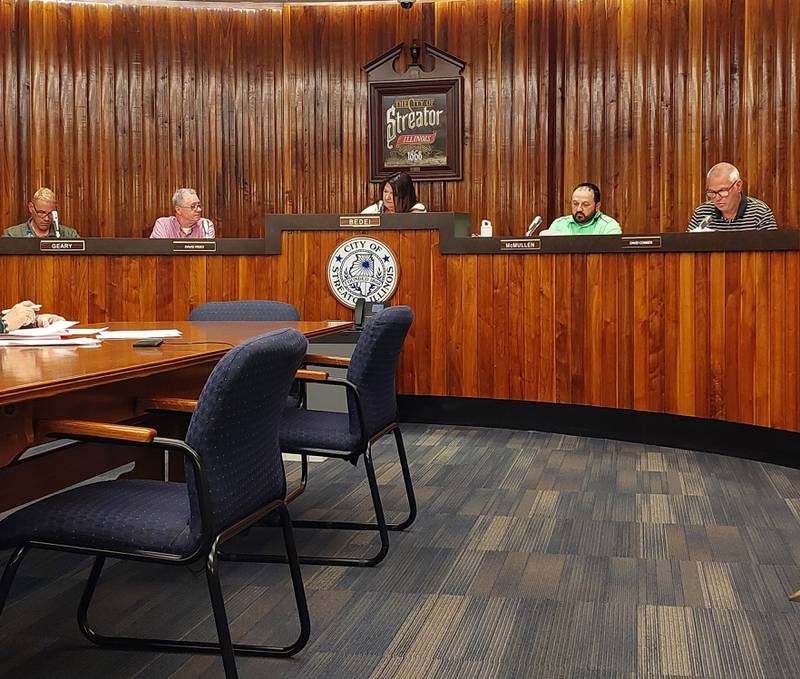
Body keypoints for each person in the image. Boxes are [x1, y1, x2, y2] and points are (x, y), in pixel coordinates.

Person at [687, 162, 777, 231]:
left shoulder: (760, 213)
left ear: (738, 186)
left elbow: (771, 253)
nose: (717, 198)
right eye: (711, 192)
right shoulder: (702, 213)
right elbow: (687, 249)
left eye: (722, 191)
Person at [542, 183, 621, 235]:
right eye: (575, 203)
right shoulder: (559, 225)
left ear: (597, 206)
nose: (579, 209)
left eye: (585, 204)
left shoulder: (609, 226)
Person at [3, 188, 80, 238]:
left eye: (50, 213)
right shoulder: (12, 235)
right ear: (31, 208)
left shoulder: (69, 235)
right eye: (42, 213)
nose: (46, 219)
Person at [150, 188, 215, 239]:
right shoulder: (163, 225)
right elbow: (160, 252)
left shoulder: (205, 225)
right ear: (178, 210)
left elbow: (208, 254)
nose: (199, 210)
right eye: (193, 206)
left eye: (198, 205)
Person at [362, 172, 426, 214]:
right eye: (385, 191)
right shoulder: (377, 208)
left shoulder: (417, 210)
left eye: (392, 193)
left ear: (404, 196)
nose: (387, 197)